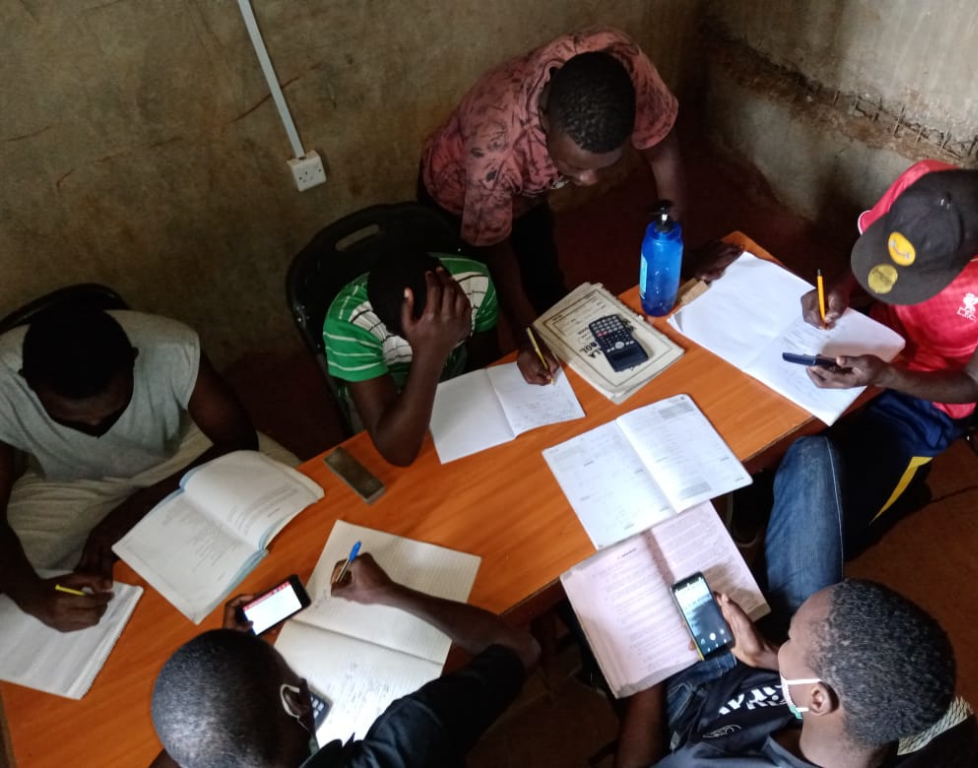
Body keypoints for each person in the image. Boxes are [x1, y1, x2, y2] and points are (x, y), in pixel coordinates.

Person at [419, 28, 739, 384]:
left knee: (549, 294)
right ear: (545, 120)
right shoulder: (496, 149)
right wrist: (528, 332)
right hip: (455, 199)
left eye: (605, 164)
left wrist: (677, 255)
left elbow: (663, 152)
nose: (589, 180)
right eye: (574, 166)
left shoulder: (623, 68)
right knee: (476, 314)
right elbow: (494, 247)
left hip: (527, 196)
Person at [769, 159, 978, 555]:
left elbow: (974, 384)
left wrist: (885, 375)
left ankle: (901, 500)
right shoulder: (922, 184)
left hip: (926, 399)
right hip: (870, 340)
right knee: (768, 453)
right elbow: (876, 249)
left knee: (828, 532)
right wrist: (842, 285)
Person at [0, 306, 288, 632]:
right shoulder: (1, 383)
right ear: (28, 383)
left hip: (179, 448)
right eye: (72, 420)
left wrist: (131, 512)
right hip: (65, 478)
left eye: (111, 412)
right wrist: (32, 597)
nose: (96, 425)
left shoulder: (170, 346)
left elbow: (237, 439)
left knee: (293, 500)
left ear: (133, 360)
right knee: (13, 592)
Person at [149, 553, 540, 768]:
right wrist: (391, 592)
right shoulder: (412, 736)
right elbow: (520, 647)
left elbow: (192, 740)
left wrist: (230, 668)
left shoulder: (199, 756)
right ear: (299, 703)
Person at [615, 578, 978, 768]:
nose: (781, 642)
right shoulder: (895, 705)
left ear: (818, 698)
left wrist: (650, 670)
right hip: (771, 677)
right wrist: (769, 656)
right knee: (813, 460)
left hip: (686, 702)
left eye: (789, 639)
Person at [322, 249, 498, 465]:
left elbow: (488, 360)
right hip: (385, 407)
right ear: (392, 331)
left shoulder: (476, 281)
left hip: (453, 391)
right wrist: (432, 353)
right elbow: (398, 452)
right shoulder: (346, 324)